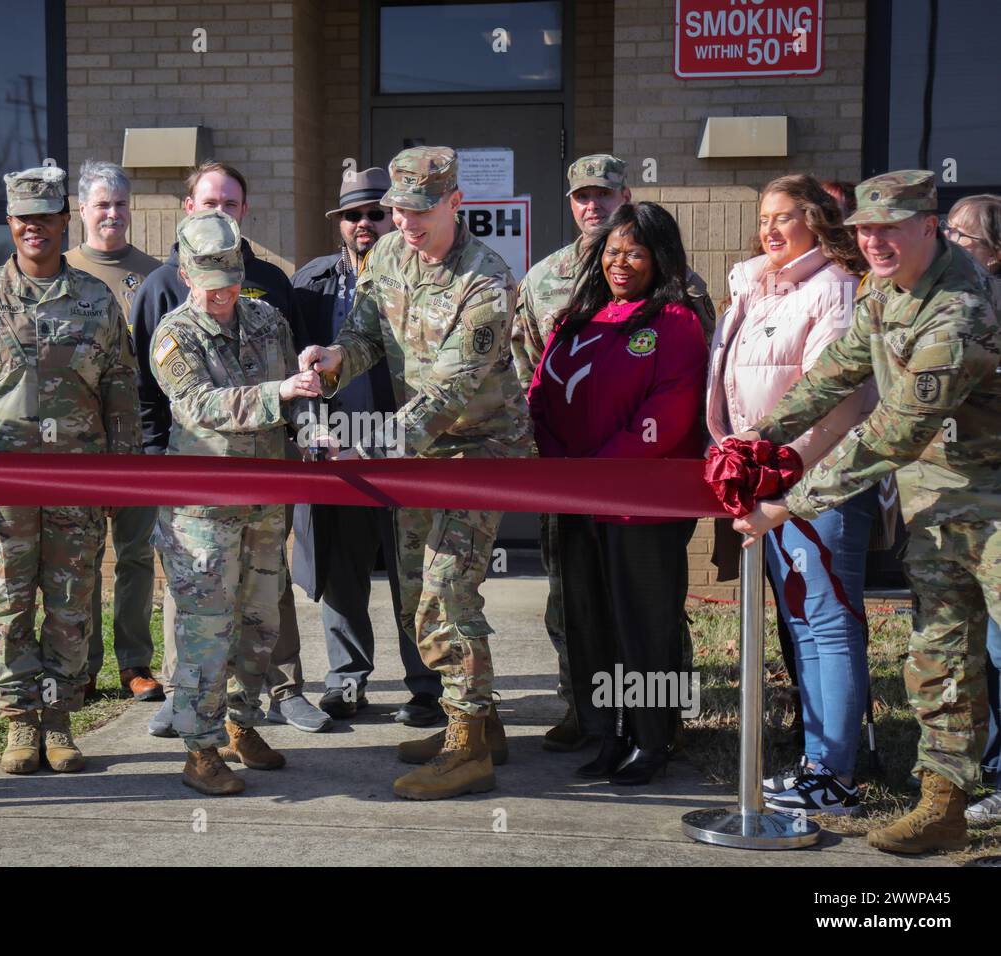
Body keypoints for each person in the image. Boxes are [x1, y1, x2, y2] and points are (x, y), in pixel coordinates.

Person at [735, 170, 1001, 854]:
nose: (875, 242)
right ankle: (943, 802)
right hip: (938, 504)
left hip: (994, 504)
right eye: (864, 231)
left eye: (890, 228)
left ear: (928, 226)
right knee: (940, 653)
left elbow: (895, 432)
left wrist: (789, 503)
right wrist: (760, 437)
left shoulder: (961, 311)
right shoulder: (884, 292)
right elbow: (838, 371)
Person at [301, 146, 533, 800]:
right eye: (398, 209)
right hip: (416, 456)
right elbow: (367, 332)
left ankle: (466, 750)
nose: (404, 222)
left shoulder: (487, 280)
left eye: (420, 210)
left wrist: (365, 442)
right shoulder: (390, 256)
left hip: (478, 452)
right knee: (411, 594)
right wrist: (331, 360)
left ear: (456, 202)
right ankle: (480, 723)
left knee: (445, 592)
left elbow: (450, 395)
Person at [0, 166, 140, 775]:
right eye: (23, 218)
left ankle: (58, 719)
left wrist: (122, 475)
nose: (34, 228)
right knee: (10, 603)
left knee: (72, 602)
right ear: (9, 223)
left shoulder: (98, 300)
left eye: (45, 218)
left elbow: (121, 391)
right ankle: (20, 723)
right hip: (2, 481)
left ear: (62, 221)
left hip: (78, 478)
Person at [512, 154, 717, 756]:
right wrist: (561, 465)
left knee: (645, 627)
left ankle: (652, 739)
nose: (619, 262)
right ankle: (606, 733)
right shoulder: (579, 316)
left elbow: (670, 411)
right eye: (612, 253)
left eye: (634, 253)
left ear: (659, 257)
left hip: (639, 502)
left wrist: (600, 471)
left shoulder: (677, 320)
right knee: (591, 624)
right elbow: (542, 392)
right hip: (577, 497)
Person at [133, 162, 329, 734]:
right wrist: (281, 392)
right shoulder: (175, 335)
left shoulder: (268, 319)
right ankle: (201, 748)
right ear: (188, 277)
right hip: (204, 511)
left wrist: (310, 425)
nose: (224, 297)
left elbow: (297, 399)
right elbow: (201, 407)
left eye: (233, 284)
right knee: (206, 634)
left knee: (260, 624)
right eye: (212, 287)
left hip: (265, 506)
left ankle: (243, 728)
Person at [707, 174, 874, 814]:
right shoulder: (753, 289)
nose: (769, 230)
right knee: (802, 623)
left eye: (784, 217)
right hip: (768, 484)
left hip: (818, 484)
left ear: (816, 221)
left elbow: (843, 404)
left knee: (828, 625)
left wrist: (785, 474)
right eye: (764, 218)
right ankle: (816, 763)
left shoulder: (834, 289)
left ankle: (834, 775)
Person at [290, 166, 444, 728]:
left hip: (404, 448)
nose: (364, 224)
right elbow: (296, 364)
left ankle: (426, 684)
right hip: (335, 451)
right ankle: (346, 681)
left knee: (414, 572)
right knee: (340, 568)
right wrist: (309, 429)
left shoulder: (421, 276)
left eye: (375, 213)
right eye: (352, 215)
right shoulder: (310, 282)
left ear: (395, 217)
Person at [64, 158, 164, 703]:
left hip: (140, 437)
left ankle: (134, 664)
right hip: (78, 440)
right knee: (79, 558)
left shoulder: (155, 274)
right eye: (102, 204)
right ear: (83, 210)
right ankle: (81, 667)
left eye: (121, 204)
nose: (112, 214)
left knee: (134, 555)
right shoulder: (61, 272)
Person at [943, 193, 1001, 824]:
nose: (952, 245)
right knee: (972, 646)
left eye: (964, 237)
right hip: (962, 503)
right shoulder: (954, 305)